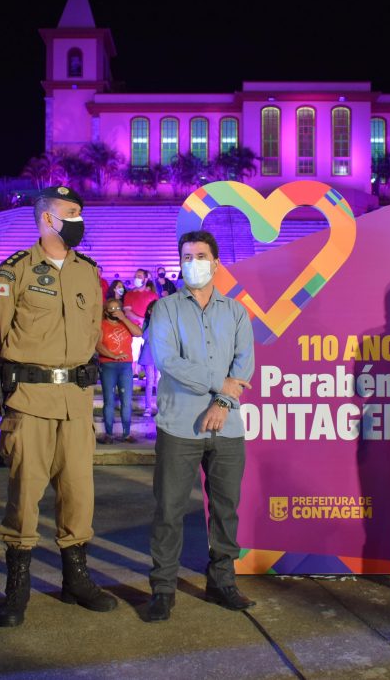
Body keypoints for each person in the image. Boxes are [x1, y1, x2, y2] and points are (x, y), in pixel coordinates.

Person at [0, 185, 116, 627]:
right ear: (47, 218)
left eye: (79, 212)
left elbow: (93, 331)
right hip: (31, 400)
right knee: (25, 496)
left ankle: (75, 579)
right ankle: (17, 587)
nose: (79, 220)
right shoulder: (15, 270)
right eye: (71, 212)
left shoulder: (88, 272)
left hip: (76, 401)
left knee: (79, 494)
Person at [145, 230, 255, 622]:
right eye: (187, 257)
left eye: (201, 256)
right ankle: (163, 587)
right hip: (179, 425)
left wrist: (223, 401)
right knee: (169, 509)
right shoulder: (165, 309)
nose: (194, 263)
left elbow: (244, 364)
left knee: (226, 510)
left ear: (216, 263)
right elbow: (167, 360)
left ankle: (222, 581)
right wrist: (220, 383)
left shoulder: (236, 311)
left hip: (227, 427)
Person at [96, 296, 142, 444]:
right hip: (108, 366)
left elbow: (138, 333)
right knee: (109, 401)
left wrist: (124, 318)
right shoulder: (102, 325)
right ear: (106, 311)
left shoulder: (126, 323)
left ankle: (126, 434)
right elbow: (98, 345)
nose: (115, 311)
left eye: (118, 308)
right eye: (112, 308)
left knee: (126, 401)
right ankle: (109, 434)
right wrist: (113, 356)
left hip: (125, 367)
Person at [125, 268, 158, 364]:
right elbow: (127, 311)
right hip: (134, 330)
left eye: (139, 276)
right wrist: (141, 319)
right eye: (135, 276)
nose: (136, 278)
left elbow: (156, 312)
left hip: (148, 331)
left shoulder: (153, 295)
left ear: (146, 279)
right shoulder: (129, 294)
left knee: (149, 359)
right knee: (134, 357)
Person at [138, 299, 159, 417]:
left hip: (160, 355)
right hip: (148, 354)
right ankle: (148, 408)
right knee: (150, 381)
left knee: (159, 381)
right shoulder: (147, 322)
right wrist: (152, 322)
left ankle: (161, 408)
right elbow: (145, 337)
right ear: (150, 311)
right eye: (154, 310)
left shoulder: (164, 322)